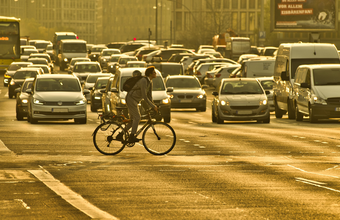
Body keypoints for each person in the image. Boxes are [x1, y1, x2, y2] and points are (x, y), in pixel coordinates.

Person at [123, 67, 158, 143]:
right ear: (150, 74)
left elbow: (149, 96)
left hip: (135, 101)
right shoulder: (143, 81)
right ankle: (132, 136)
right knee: (137, 117)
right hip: (131, 99)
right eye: (154, 72)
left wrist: (154, 106)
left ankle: (120, 134)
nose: (156, 73)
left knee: (132, 121)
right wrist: (152, 106)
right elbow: (144, 96)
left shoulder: (150, 82)